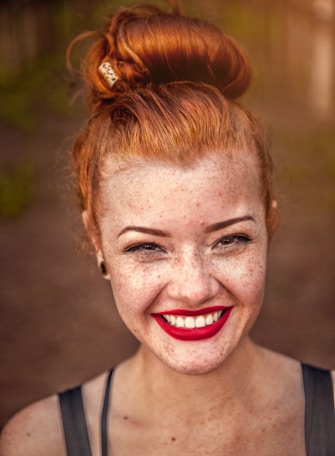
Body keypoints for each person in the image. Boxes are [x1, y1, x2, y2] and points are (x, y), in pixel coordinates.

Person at [0, 2, 334, 455]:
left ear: (269, 225)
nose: (194, 289)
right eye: (147, 248)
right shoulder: (40, 444)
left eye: (230, 239)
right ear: (98, 242)